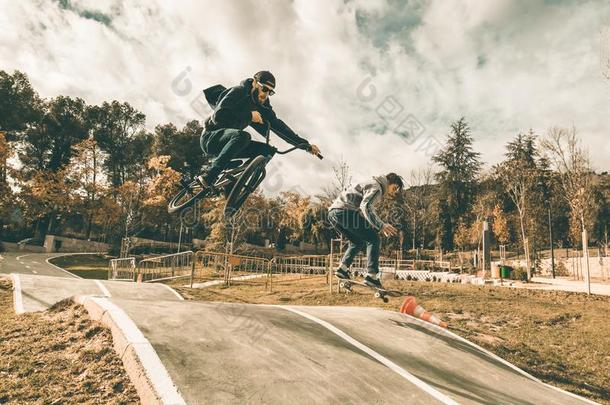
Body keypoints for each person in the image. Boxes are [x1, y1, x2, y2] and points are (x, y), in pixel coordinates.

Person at [200, 71, 321, 188]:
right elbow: (219, 116)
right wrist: (249, 115)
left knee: (267, 151)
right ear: (254, 83)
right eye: (264, 88)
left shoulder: (262, 106)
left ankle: (232, 185)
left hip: (230, 143)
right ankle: (209, 175)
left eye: (270, 92)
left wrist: (306, 146)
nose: (266, 94)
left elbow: (280, 128)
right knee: (243, 136)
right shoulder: (238, 92)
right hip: (211, 138)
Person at [328, 173, 404, 289]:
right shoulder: (377, 187)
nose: (391, 193)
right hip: (345, 211)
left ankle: (342, 268)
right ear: (389, 182)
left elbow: (362, 207)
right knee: (373, 239)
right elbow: (366, 206)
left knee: (357, 242)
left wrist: (375, 225)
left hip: (333, 213)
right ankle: (371, 276)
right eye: (394, 189)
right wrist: (381, 225)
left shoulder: (370, 182)